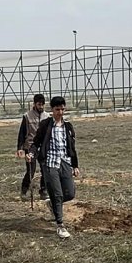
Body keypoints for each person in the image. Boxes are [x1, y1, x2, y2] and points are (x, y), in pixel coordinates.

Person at [30, 96, 80, 238]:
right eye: (57, 109)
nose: (60, 112)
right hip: (50, 163)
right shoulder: (45, 125)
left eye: (62, 109)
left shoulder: (68, 126)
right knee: (57, 193)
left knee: (69, 193)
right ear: (52, 110)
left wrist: (75, 165)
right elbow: (36, 143)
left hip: (65, 162)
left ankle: (53, 204)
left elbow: (72, 147)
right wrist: (32, 154)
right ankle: (60, 225)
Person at [16, 94, 50, 201]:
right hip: (30, 147)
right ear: (34, 104)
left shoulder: (47, 116)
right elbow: (22, 133)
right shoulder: (27, 116)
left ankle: (43, 191)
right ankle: (24, 191)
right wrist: (20, 148)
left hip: (43, 147)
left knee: (45, 169)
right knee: (31, 170)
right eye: (39, 104)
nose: (41, 107)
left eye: (43, 104)